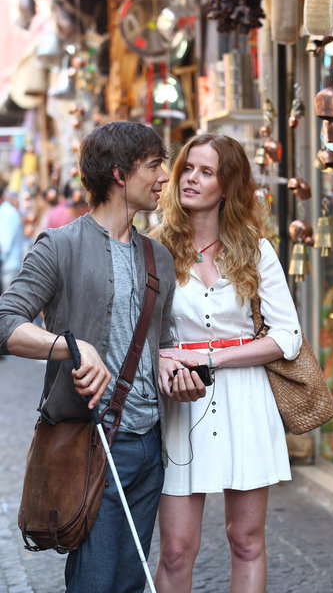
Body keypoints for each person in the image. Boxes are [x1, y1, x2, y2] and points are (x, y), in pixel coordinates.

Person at [0, 121, 205, 593]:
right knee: (94, 582)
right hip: (90, 444)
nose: (164, 178)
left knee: (131, 583)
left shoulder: (159, 258)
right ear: (119, 172)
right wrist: (72, 348)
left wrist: (177, 372)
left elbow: (162, 344)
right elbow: (8, 323)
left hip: (149, 447)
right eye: (154, 166)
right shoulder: (59, 245)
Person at [151, 133, 302, 593]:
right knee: (176, 548)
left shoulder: (256, 251)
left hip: (246, 402)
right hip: (181, 404)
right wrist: (161, 359)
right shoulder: (154, 248)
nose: (191, 179)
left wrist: (212, 357)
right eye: (187, 169)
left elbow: (287, 337)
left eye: (206, 171)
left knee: (247, 540)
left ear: (228, 185)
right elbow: (141, 334)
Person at [0, 178, 23, 293]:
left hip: (9, 269)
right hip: (6, 269)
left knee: (7, 309)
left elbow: (4, 245)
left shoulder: (7, 213)